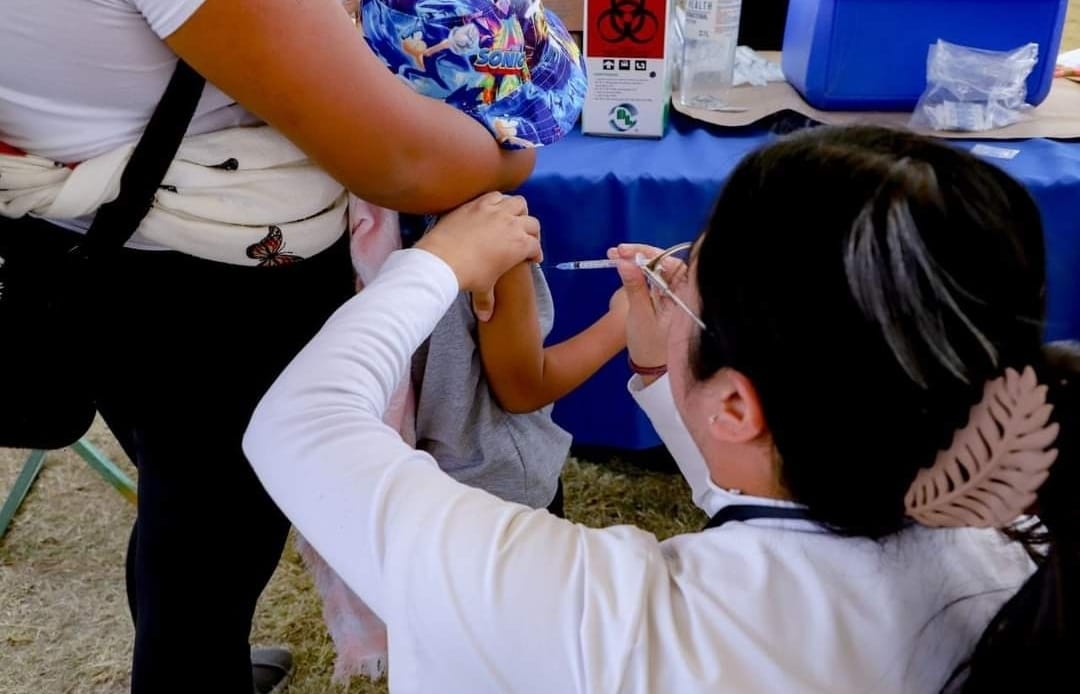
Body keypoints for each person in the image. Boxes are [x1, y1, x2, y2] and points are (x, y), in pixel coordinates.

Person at [243, 125, 1078, 692]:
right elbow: (774, 500)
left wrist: (435, 265)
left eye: (690, 280)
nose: (667, 279)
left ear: (742, 405)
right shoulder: (1009, 538)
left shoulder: (611, 620)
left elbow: (298, 424)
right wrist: (662, 360)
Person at [0, 0, 534, 691]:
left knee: (185, 518)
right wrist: (525, 140)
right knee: (208, 550)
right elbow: (403, 160)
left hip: (76, 247)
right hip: (213, 286)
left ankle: (198, 652)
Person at [302, 199, 627, 681]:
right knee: (518, 654)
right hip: (496, 491)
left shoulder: (343, 221)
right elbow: (523, 387)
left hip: (400, 494)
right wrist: (623, 320)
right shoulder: (493, 232)